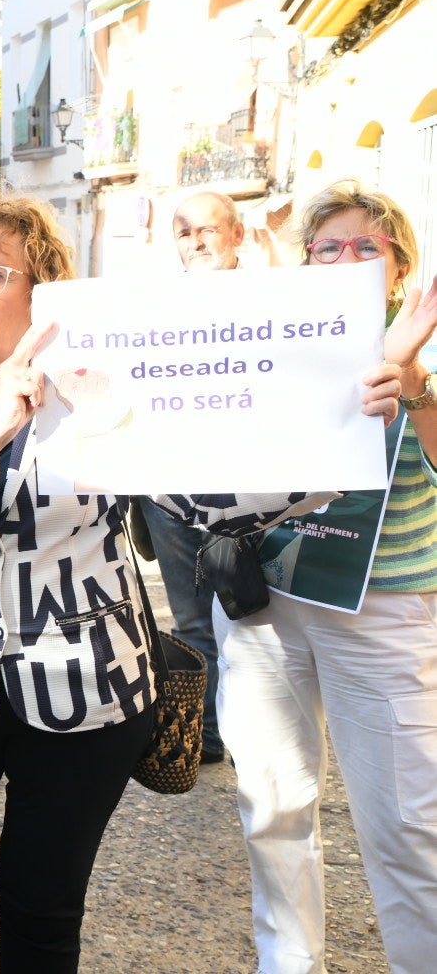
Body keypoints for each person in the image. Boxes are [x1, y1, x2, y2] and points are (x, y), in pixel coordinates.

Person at [0, 185, 357, 972]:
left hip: (87, 693)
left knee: (42, 908)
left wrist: (343, 434)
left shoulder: (98, 384)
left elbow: (211, 504)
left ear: (42, 291)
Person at [214, 179, 437, 974]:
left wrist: (414, 389)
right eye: (329, 245)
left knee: (408, 822)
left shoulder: (427, 342)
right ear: (306, 260)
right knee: (271, 805)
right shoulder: (276, 339)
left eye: (367, 245)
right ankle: (289, 963)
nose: (347, 257)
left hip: (383, 610)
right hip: (267, 600)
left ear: (400, 265)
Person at [137, 190, 247, 763]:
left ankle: (252, 727)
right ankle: (205, 736)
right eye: (184, 232)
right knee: (191, 618)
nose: (197, 241)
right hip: (169, 493)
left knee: (251, 615)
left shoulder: (276, 304)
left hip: (251, 491)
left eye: (207, 230)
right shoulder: (155, 308)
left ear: (238, 235)